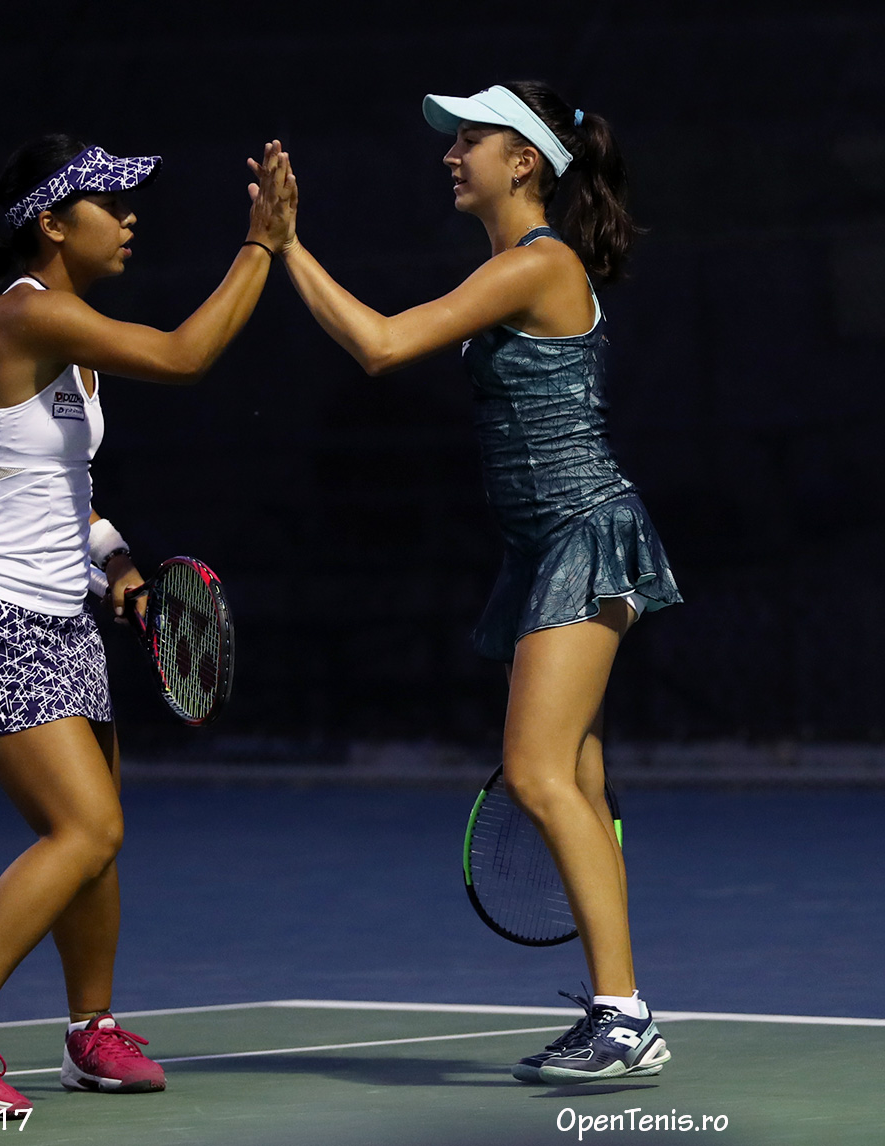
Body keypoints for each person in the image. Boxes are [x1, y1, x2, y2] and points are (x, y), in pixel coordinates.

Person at [265, 82, 681, 1083]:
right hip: (542, 548)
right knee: (576, 779)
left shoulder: (538, 263)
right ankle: (620, 1009)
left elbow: (381, 346)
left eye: (472, 139)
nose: (452, 153)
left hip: (584, 534)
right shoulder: (510, 265)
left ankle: (625, 1017)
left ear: (524, 161)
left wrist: (286, 247)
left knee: (536, 772)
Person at [0, 135, 296, 1114]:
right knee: (85, 826)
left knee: (96, 839)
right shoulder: (23, 318)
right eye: (110, 201)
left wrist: (116, 563)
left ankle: (89, 1033)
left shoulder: (70, 347)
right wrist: (263, 244)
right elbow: (186, 357)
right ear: (54, 224)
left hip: (64, 622)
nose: (130, 215)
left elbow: (52, 486)